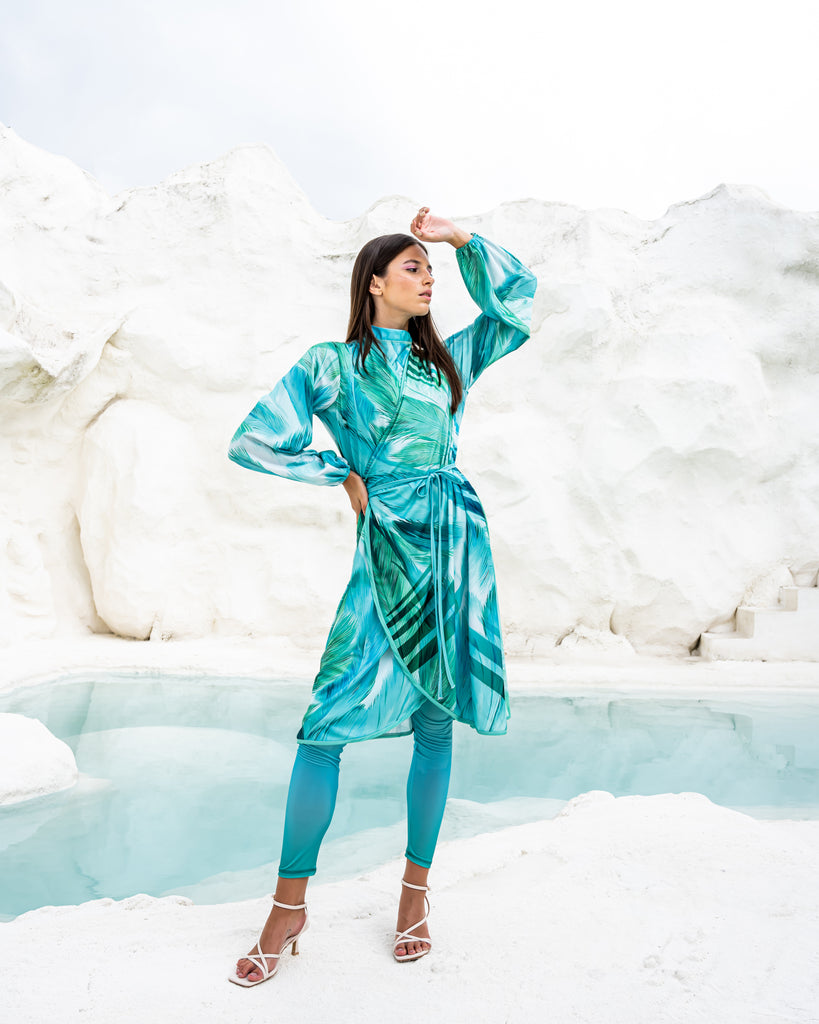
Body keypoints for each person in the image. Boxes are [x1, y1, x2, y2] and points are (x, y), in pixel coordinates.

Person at [227, 207, 537, 986]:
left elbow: (516, 305)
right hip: (388, 546)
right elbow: (255, 439)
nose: (428, 280)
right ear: (373, 281)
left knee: (434, 722)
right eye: (413, 267)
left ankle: (413, 894)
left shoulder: (447, 362)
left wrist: (460, 240)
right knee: (324, 724)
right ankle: (287, 907)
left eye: (430, 270)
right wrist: (340, 471)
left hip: (454, 542)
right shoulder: (330, 364)